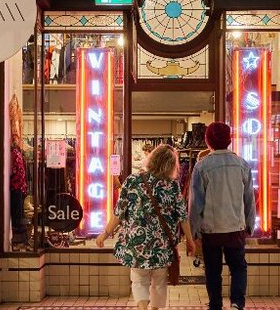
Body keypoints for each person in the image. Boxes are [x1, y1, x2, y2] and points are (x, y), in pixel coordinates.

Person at [97, 144, 195, 310]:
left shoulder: (132, 181)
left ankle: (143, 307)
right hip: (162, 245)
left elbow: (119, 213)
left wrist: (105, 233)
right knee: (159, 281)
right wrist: (190, 240)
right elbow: (183, 217)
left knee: (138, 279)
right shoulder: (172, 186)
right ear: (172, 165)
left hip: (137, 244)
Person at [189, 122, 255, 310]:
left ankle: (215, 305)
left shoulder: (202, 167)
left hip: (211, 229)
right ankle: (236, 303)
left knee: (212, 270)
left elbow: (196, 203)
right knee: (238, 267)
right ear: (229, 140)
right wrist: (250, 224)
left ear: (207, 141)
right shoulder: (242, 164)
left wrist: (195, 232)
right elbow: (249, 198)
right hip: (236, 227)